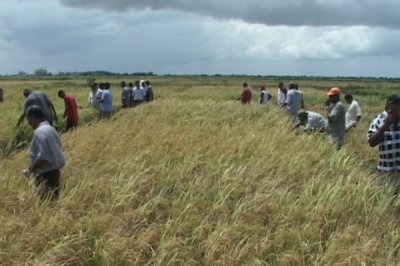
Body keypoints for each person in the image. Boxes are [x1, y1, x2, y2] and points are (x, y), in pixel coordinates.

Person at [22, 105, 66, 200]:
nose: (28, 123)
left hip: (46, 176)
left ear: (33, 116)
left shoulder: (40, 132)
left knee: (46, 203)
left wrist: (30, 170)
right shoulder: (50, 128)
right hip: (54, 173)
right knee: (53, 202)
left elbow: (44, 158)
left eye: (28, 119)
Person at [367, 95, 400, 194]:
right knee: (386, 199)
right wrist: (385, 125)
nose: (393, 113)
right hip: (386, 171)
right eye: (390, 110)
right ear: (386, 108)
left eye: (397, 110)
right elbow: (372, 142)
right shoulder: (379, 121)